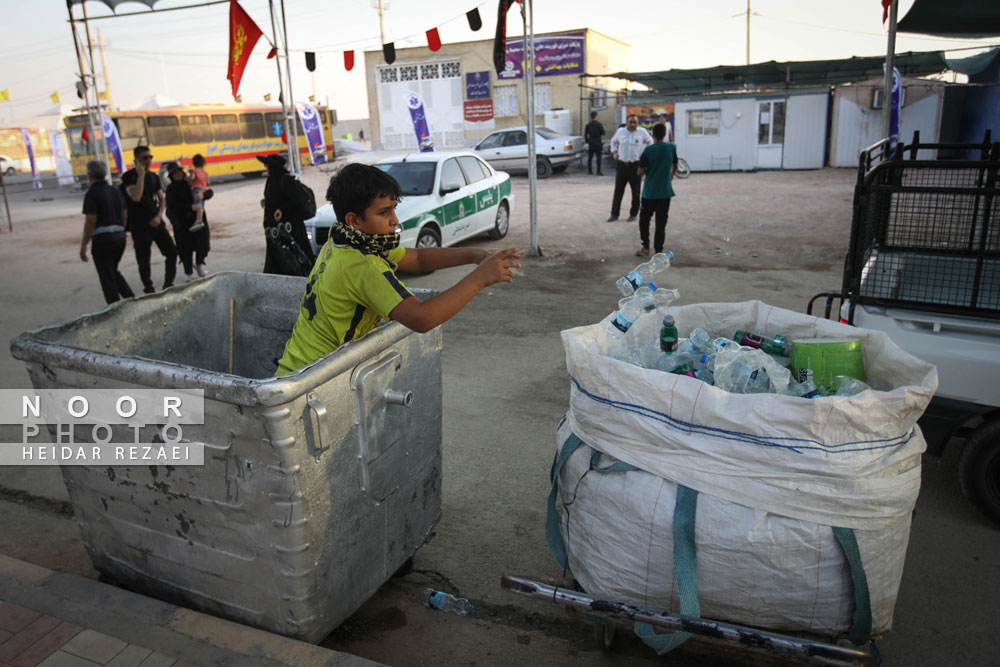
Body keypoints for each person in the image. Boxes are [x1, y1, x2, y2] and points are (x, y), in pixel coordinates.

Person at [276, 163, 521, 374]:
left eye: (394, 208)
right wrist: (479, 279)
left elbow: (417, 259)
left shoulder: (344, 238)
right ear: (354, 220)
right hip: (311, 377)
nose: (395, 220)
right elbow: (421, 318)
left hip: (298, 365)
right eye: (384, 212)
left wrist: (472, 255)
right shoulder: (362, 265)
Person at [121, 145, 177, 293]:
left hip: (156, 222)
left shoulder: (153, 176)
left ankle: (168, 284)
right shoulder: (129, 177)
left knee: (171, 252)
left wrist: (159, 216)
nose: (148, 161)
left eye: (150, 157)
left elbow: (161, 198)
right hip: (139, 225)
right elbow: (136, 197)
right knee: (144, 260)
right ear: (136, 160)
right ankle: (149, 288)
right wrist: (141, 176)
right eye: (144, 158)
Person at [79, 159, 134, 304]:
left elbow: (91, 220)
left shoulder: (91, 194)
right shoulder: (114, 191)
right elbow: (124, 214)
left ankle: (114, 309)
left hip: (102, 240)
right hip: (119, 238)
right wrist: (120, 231)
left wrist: (84, 244)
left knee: (106, 276)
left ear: (90, 175)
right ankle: (131, 300)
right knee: (113, 271)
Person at [258, 153, 316, 275]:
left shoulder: (286, 180)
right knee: (278, 258)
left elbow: (295, 201)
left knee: (295, 257)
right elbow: (274, 197)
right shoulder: (271, 180)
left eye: (267, 166)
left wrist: (282, 210)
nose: (266, 168)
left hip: (290, 228)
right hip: (274, 228)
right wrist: (266, 201)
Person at [635, 122, 678, 258]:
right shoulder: (671, 148)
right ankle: (658, 250)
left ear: (653, 135)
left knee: (644, 221)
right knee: (661, 222)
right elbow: (675, 164)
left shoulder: (648, 151)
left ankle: (646, 247)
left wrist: (648, 169)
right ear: (665, 134)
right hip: (665, 192)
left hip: (649, 193)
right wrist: (670, 176)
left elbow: (640, 171)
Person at [165, 162, 210, 281]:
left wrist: (203, 195)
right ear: (171, 175)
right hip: (182, 223)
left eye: (179, 171)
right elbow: (172, 206)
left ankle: (199, 264)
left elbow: (208, 191)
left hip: (199, 221)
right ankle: (188, 272)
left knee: (203, 245)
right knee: (186, 249)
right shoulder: (170, 189)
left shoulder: (191, 184)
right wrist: (190, 207)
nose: (178, 174)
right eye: (175, 173)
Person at [607, 114, 652, 223]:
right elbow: (613, 141)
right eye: (630, 122)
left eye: (635, 122)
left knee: (636, 192)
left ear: (637, 123)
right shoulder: (620, 132)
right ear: (626, 122)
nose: (633, 124)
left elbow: (650, 142)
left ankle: (633, 214)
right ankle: (614, 214)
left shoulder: (642, 132)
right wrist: (614, 152)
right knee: (618, 191)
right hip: (622, 165)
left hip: (635, 165)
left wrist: (644, 155)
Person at [187, 153, 209, 232]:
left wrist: (187, 178)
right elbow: (208, 182)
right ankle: (200, 220)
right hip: (203, 190)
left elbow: (192, 178)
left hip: (196, 189)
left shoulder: (194, 170)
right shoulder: (204, 172)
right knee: (202, 206)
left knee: (198, 206)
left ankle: (198, 221)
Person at [584, 111, 605, 176]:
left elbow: (585, 134)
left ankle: (590, 171)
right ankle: (598, 171)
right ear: (596, 116)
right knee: (598, 157)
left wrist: (588, 141)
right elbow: (603, 133)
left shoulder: (588, 125)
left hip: (591, 143)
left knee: (590, 157)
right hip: (598, 143)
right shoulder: (599, 124)